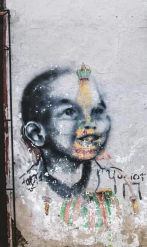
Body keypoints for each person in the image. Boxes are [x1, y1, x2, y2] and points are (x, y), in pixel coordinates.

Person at [20, 64, 112, 199]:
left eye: (97, 111)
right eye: (69, 112)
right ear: (36, 133)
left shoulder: (116, 182)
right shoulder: (25, 191)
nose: (89, 123)